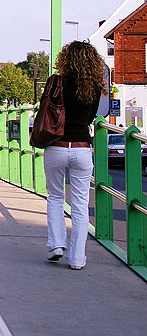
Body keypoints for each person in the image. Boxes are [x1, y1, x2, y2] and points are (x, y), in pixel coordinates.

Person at [44, 41, 105, 270]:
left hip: (56, 146)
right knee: (80, 204)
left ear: (66, 58)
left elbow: (45, 109)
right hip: (81, 147)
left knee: (56, 196)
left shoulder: (56, 82)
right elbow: (90, 118)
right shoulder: (93, 87)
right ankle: (77, 258)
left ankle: (56, 245)